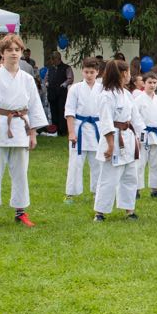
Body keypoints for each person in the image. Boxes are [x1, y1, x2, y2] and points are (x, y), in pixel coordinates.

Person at [0, 34, 48, 230]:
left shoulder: (27, 79)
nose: (14, 53)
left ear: (21, 52)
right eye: (9, 50)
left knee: (20, 173)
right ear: (2, 53)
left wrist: (33, 134)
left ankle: (20, 211)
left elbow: (34, 106)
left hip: (21, 127)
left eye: (17, 50)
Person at [93, 60, 144, 221]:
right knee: (109, 177)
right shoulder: (106, 96)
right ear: (123, 73)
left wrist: (141, 137)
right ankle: (100, 212)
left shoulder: (127, 94)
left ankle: (129, 210)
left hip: (128, 137)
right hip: (114, 137)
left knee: (130, 175)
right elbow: (106, 121)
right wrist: (110, 144)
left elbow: (136, 118)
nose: (130, 75)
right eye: (128, 72)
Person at [64, 57, 105, 204]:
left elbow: (106, 112)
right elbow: (69, 111)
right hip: (79, 127)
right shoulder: (75, 88)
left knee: (97, 163)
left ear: (97, 72)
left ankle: (97, 192)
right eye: (86, 72)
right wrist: (71, 132)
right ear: (82, 71)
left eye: (92, 72)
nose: (89, 75)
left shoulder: (102, 89)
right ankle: (70, 194)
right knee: (75, 162)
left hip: (97, 128)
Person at [45, 52, 73, 135]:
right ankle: (55, 130)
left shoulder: (66, 68)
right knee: (53, 112)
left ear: (58, 59)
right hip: (52, 92)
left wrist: (63, 85)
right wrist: (46, 83)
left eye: (54, 59)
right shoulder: (50, 68)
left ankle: (63, 131)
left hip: (61, 93)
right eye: (52, 60)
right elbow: (46, 78)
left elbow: (70, 79)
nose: (52, 61)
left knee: (62, 111)